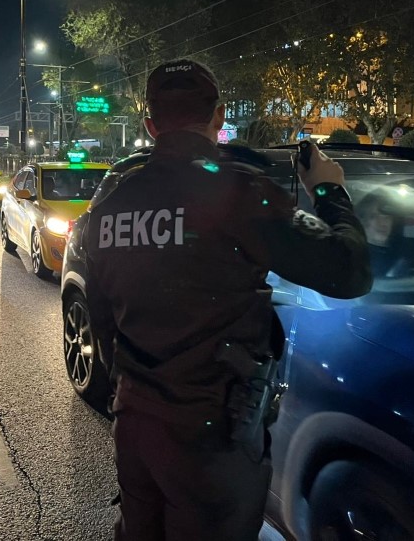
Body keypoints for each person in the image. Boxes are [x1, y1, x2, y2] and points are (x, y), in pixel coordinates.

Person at [82, 59, 372, 541]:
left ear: (150, 125)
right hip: (209, 439)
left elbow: (100, 321)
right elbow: (348, 271)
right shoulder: (236, 191)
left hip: (135, 423)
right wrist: (328, 189)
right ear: (218, 117)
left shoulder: (110, 205)